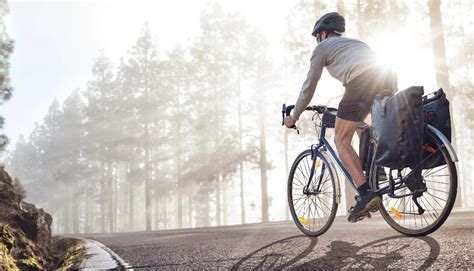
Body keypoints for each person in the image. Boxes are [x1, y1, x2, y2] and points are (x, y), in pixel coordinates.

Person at [284, 12, 397, 222]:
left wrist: (294, 115)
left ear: (323, 34)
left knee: (340, 140)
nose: (317, 41)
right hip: (387, 77)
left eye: (317, 36)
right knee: (363, 127)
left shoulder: (322, 48)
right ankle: (376, 170)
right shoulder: (355, 44)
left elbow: (309, 87)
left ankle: (365, 194)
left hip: (361, 81)